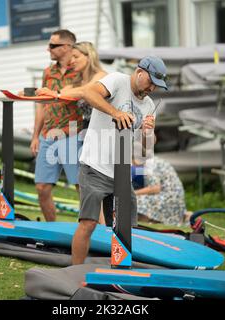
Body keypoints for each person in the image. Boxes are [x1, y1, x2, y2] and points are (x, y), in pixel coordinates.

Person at [70, 56, 169, 265]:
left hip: (121, 173)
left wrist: (147, 132)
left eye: (156, 85)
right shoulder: (116, 80)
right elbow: (88, 92)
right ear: (139, 71)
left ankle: (119, 270)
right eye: (151, 81)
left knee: (126, 228)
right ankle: (74, 273)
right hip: (95, 166)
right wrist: (115, 112)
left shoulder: (149, 104)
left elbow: (146, 148)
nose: (152, 88)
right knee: (88, 224)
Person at [36, 41, 108, 223]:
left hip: (104, 134)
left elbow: (84, 92)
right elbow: (64, 92)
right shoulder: (77, 80)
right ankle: (96, 228)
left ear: (89, 56)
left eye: (76, 57)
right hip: (87, 134)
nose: (72, 61)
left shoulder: (101, 76)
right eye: (72, 57)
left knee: (95, 186)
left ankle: (105, 229)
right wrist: (45, 92)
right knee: (86, 185)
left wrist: (56, 94)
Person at [30, 29, 82, 222]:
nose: (48, 49)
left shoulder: (80, 71)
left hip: (73, 134)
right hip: (48, 136)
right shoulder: (48, 72)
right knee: (42, 187)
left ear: (67, 47)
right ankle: (53, 231)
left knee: (81, 187)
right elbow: (42, 104)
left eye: (53, 45)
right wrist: (35, 136)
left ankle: (90, 230)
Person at [134, 156, 187, 226]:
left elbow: (155, 188)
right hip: (176, 199)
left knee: (136, 200)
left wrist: (133, 193)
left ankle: (146, 221)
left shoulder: (149, 165)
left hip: (169, 198)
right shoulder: (154, 161)